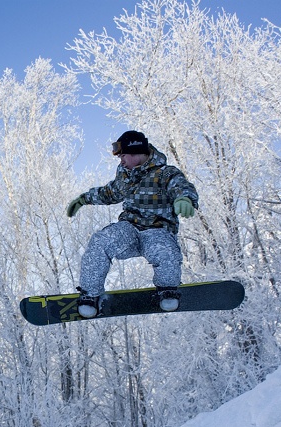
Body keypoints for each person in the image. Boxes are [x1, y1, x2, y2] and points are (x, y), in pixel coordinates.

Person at [66, 130, 199, 317]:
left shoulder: (165, 173)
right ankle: (90, 294)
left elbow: (180, 186)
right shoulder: (125, 176)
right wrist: (83, 199)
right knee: (101, 241)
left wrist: (184, 198)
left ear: (136, 152)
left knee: (165, 252)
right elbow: (110, 192)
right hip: (129, 229)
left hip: (158, 230)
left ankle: (167, 289)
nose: (121, 160)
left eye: (123, 155)